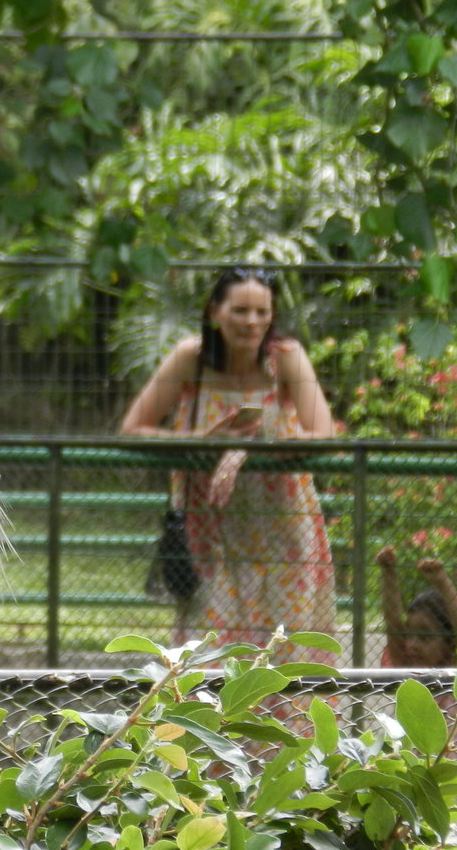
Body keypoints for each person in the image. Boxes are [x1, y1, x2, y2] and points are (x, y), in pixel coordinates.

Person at [120, 267, 338, 662]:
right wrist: (205, 443)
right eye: (240, 310)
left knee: (283, 656)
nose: (252, 322)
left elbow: (323, 433)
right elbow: (134, 428)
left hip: (281, 533)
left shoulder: (286, 359)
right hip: (210, 535)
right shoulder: (191, 359)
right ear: (214, 312)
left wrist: (253, 448)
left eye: (262, 312)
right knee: (207, 658)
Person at [374, 545, 457, 667]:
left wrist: (443, 583)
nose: (412, 645)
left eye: (425, 637)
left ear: (450, 642)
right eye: (409, 635)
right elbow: (393, 623)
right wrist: (389, 573)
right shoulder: (405, 664)